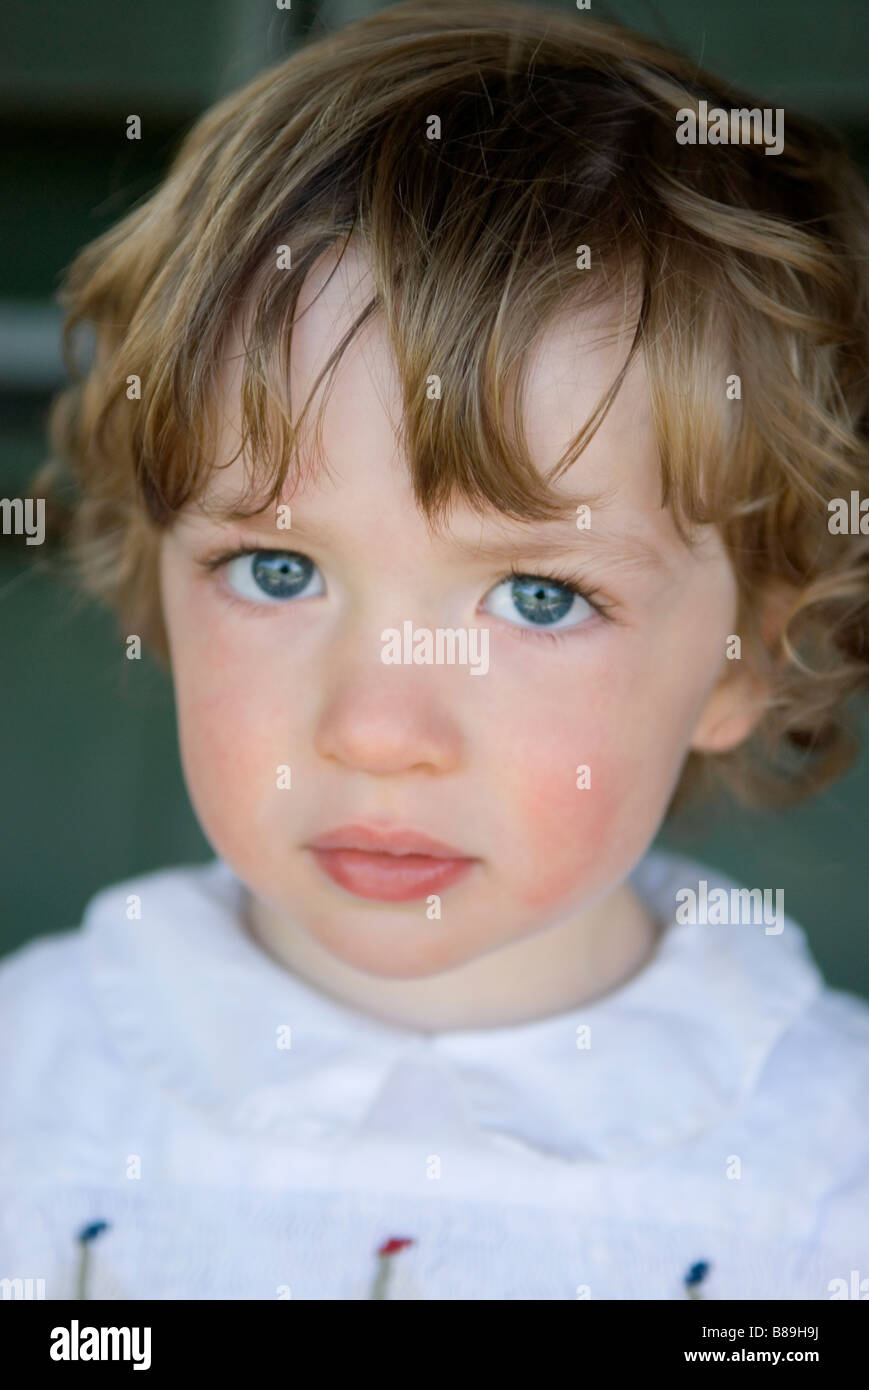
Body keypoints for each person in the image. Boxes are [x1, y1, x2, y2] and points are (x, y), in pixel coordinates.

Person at [2, 0, 868, 1300]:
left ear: (747, 656)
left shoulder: (825, 1173)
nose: (378, 728)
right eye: (277, 571)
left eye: (534, 595)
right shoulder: (33, 1086)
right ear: (160, 582)